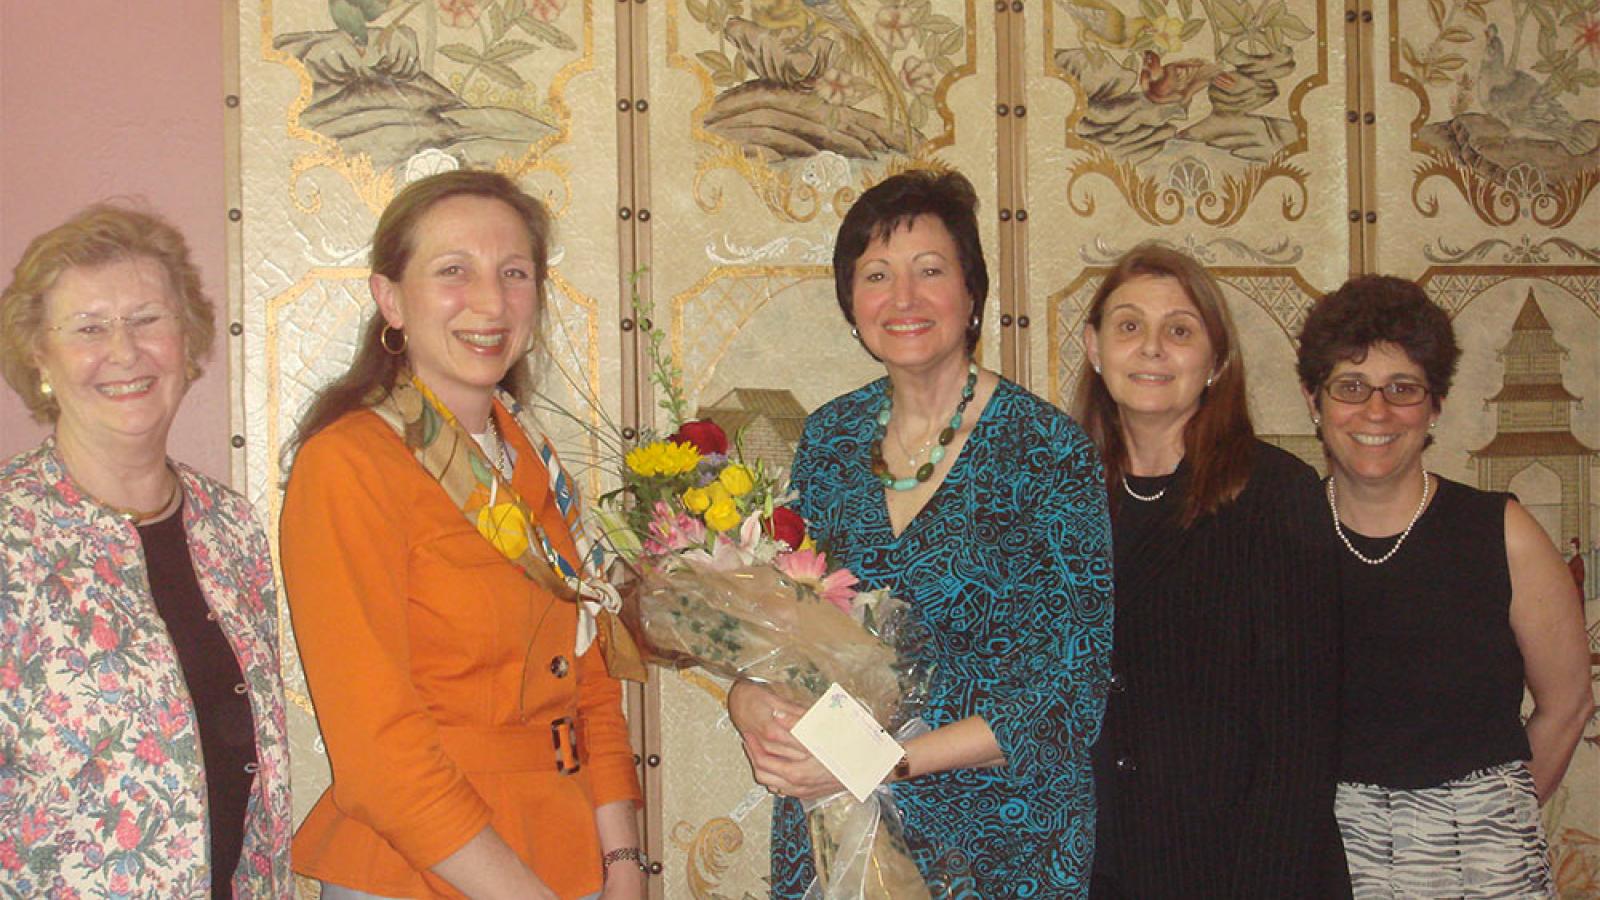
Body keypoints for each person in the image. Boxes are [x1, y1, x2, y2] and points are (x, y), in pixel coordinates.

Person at [726, 168, 1114, 896]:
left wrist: (883, 761)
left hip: (1001, 837)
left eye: (929, 271)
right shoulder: (830, 438)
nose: (902, 299)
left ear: (972, 295)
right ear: (851, 305)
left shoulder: (1048, 450)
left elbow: (1068, 692)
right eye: (877, 276)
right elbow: (789, 624)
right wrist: (746, 699)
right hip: (837, 816)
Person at [279, 170, 644, 900]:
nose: (490, 301)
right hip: (424, 869)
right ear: (391, 299)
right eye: (454, 272)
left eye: (514, 273)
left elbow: (591, 687)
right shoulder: (351, 464)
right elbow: (378, 751)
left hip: (568, 853)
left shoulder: (530, 457)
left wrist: (624, 864)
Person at [0, 204, 293, 897]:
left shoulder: (231, 529)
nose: (124, 352)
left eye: (147, 320)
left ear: (187, 342)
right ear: (40, 356)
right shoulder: (10, 535)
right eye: (89, 329)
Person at [1296, 275, 1592, 898]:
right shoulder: (1278, 538)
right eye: (1351, 387)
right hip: (1323, 860)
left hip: (1484, 860)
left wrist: (1479, 820)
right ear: (1314, 401)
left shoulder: (1503, 534)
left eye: (1403, 389)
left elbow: (1567, 705)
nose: (1376, 412)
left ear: (1434, 406)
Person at [1074, 244, 1350, 898]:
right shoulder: (1065, 499)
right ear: (1094, 347)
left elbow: (1302, 742)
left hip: (1243, 866)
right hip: (1103, 865)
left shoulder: (1276, 496)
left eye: (1179, 330)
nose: (1151, 348)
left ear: (1216, 359)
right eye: (1129, 326)